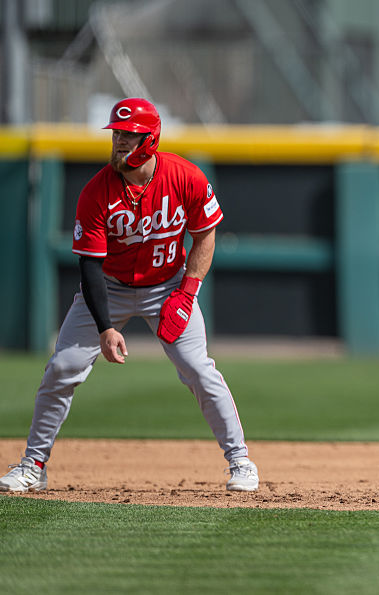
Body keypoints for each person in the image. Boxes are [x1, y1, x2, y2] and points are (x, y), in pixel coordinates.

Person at [0, 98, 258, 493]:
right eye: (117, 134)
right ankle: (33, 464)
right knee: (63, 367)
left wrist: (187, 293)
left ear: (149, 139)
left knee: (198, 368)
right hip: (110, 288)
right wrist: (105, 327)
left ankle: (241, 462)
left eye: (128, 135)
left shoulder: (185, 176)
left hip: (169, 284)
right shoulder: (96, 192)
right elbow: (89, 266)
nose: (119, 142)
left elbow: (205, 232)